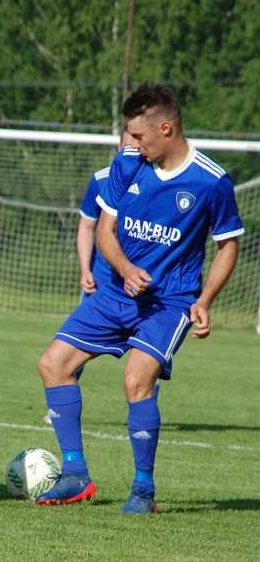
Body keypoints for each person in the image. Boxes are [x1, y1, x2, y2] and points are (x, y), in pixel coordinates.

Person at [35, 83, 243, 514]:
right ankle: (75, 475)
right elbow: (104, 232)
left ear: (165, 129)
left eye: (138, 137)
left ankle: (143, 490)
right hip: (115, 293)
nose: (132, 145)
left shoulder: (210, 181)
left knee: (136, 378)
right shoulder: (127, 166)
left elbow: (228, 246)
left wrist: (204, 301)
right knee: (53, 364)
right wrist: (126, 270)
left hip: (169, 303)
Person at [43, 128, 135, 424]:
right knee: (72, 345)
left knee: (145, 353)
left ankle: (140, 413)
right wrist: (85, 269)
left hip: (139, 286)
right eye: (128, 142)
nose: (133, 148)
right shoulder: (101, 180)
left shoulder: (156, 183)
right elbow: (86, 227)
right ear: (119, 145)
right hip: (102, 283)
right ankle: (59, 403)